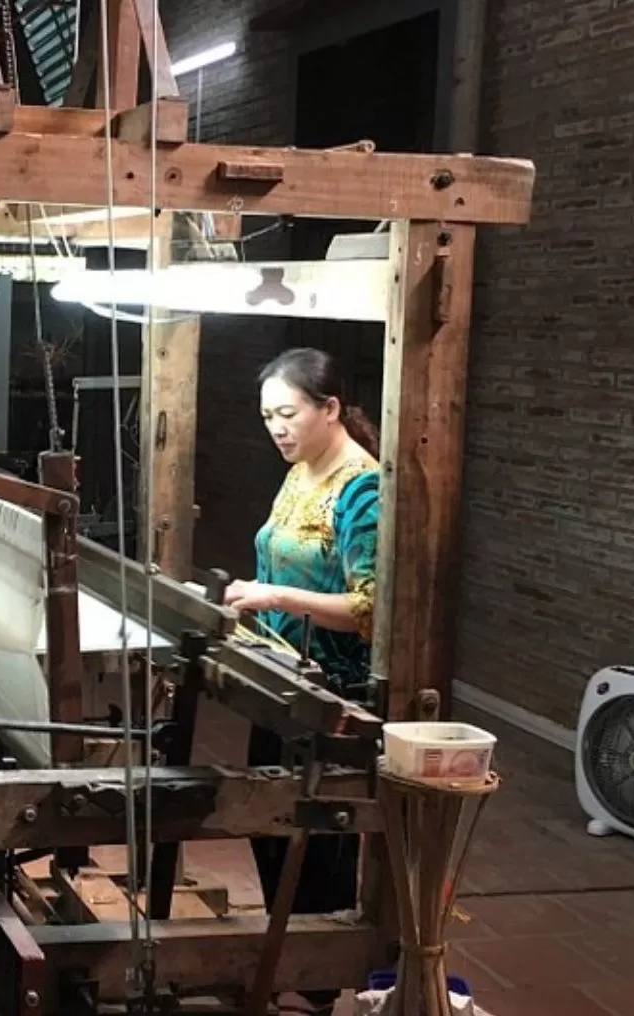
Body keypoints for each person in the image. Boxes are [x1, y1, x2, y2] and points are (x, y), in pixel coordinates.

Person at [223, 347, 381, 1016]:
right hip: (279, 681)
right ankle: (286, 954)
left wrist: (271, 597)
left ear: (330, 409)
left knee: (317, 837)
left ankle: (315, 985)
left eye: (289, 413)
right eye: (268, 417)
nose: (277, 429)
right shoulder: (301, 473)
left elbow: (370, 610)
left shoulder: (361, 488)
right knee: (269, 820)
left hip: (329, 699)